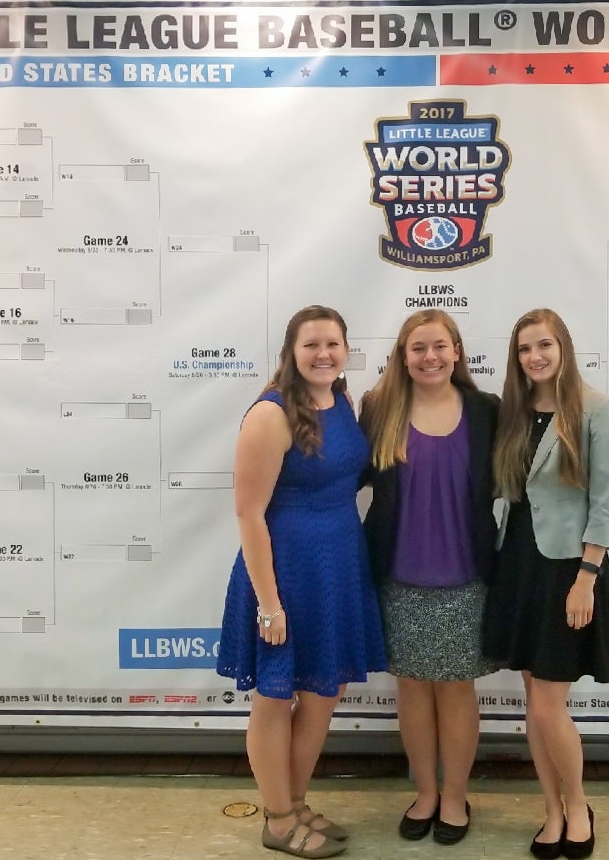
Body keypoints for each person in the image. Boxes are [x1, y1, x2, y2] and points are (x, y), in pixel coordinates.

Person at [217, 305, 387, 859]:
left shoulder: (341, 402)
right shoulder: (270, 414)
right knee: (274, 696)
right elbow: (248, 514)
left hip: (338, 564)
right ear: (291, 351)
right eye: (311, 344)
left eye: (333, 344)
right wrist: (269, 604)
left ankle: (295, 799)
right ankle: (278, 819)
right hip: (284, 570)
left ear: (345, 350)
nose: (323, 354)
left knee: (322, 694)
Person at [482, 308, 609, 860]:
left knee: (547, 707)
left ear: (562, 346)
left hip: (568, 570)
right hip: (517, 565)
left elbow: (605, 504)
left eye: (543, 345)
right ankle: (551, 810)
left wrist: (587, 576)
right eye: (524, 349)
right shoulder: (513, 413)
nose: (534, 357)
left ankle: (579, 805)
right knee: (531, 702)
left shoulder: (597, 410)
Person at [359, 309, 500, 845]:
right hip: (398, 575)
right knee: (413, 690)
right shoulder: (379, 409)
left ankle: (457, 797)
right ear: (402, 356)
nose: (430, 357)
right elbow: (342, 471)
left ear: (458, 351)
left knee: (457, 690)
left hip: (468, 576)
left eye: (440, 346)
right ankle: (424, 793)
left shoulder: (487, 411)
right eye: (417, 348)